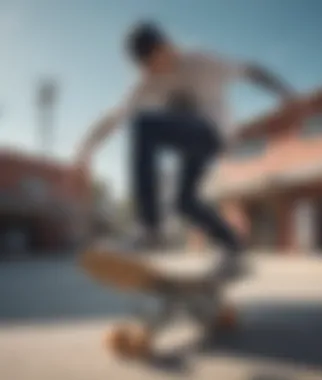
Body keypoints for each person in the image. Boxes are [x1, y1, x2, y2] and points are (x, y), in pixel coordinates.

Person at [76, 21, 297, 280]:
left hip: (214, 131)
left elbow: (251, 71)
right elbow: (114, 117)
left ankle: (150, 228)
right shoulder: (147, 82)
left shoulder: (201, 61)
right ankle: (233, 247)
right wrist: (84, 151)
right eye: (147, 67)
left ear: (167, 47)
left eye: (156, 60)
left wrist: (286, 94)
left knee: (144, 127)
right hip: (191, 145)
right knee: (184, 202)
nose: (155, 70)